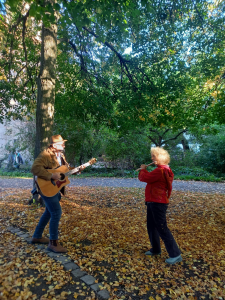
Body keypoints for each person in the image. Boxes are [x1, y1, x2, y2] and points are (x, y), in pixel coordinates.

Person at [30, 134, 82, 253]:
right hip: (46, 188)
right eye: (61, 143)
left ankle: (37, 236)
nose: (64, 145)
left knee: (49, 212)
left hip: (55, 188)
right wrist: (51, 175)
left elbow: (64, 171)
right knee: (56, 212)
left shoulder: (60, 155)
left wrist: (77, 170)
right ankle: (53, 243)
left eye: (63, 143)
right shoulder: (45, 154)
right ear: (54, 145)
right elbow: (35, 169)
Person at [138, 147, 182, 265]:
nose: (152, 158)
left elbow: (144, 178)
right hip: (154, 201)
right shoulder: (165, 170)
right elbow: (151, 179)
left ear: (161, 157)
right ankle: (156, 249)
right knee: (152, 227)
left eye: (154, 156)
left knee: (162, 228)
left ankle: (175, 254)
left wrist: (142, 169)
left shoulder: (161, 171)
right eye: (152, 156)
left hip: (158, 202)